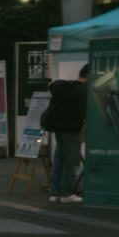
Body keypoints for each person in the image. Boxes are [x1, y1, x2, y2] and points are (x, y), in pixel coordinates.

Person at [44, 64, 88, 204]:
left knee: (59, 159)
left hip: (59, 129)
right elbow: (83, 112)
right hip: (72, 129)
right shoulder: (82, 91)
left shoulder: (66, 87)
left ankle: (54, 192)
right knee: (71, 161)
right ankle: (66, 193)